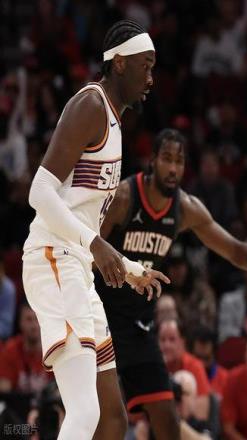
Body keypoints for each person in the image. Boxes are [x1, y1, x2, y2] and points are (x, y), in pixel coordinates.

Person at [98, 127, 247, 439]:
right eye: (167, 159)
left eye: (179, 161)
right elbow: (87, 246)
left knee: (168, 420)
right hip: (102, 319)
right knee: (110, 421)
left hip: (139, 326)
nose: (173, 168)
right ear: (152, 161)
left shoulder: (185, 208)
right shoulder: (124, 198)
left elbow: (234, 249)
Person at [21, 20, 168, 440]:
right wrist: (97, 245)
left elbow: (84, 219)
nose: (151, 79)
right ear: (119, 63)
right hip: (53, 257)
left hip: (77, 266)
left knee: (111, 417)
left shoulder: (116, 124)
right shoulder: (90, 104)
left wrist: (130, 268)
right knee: (84, 413)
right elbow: (39, 191)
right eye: (145, 66)